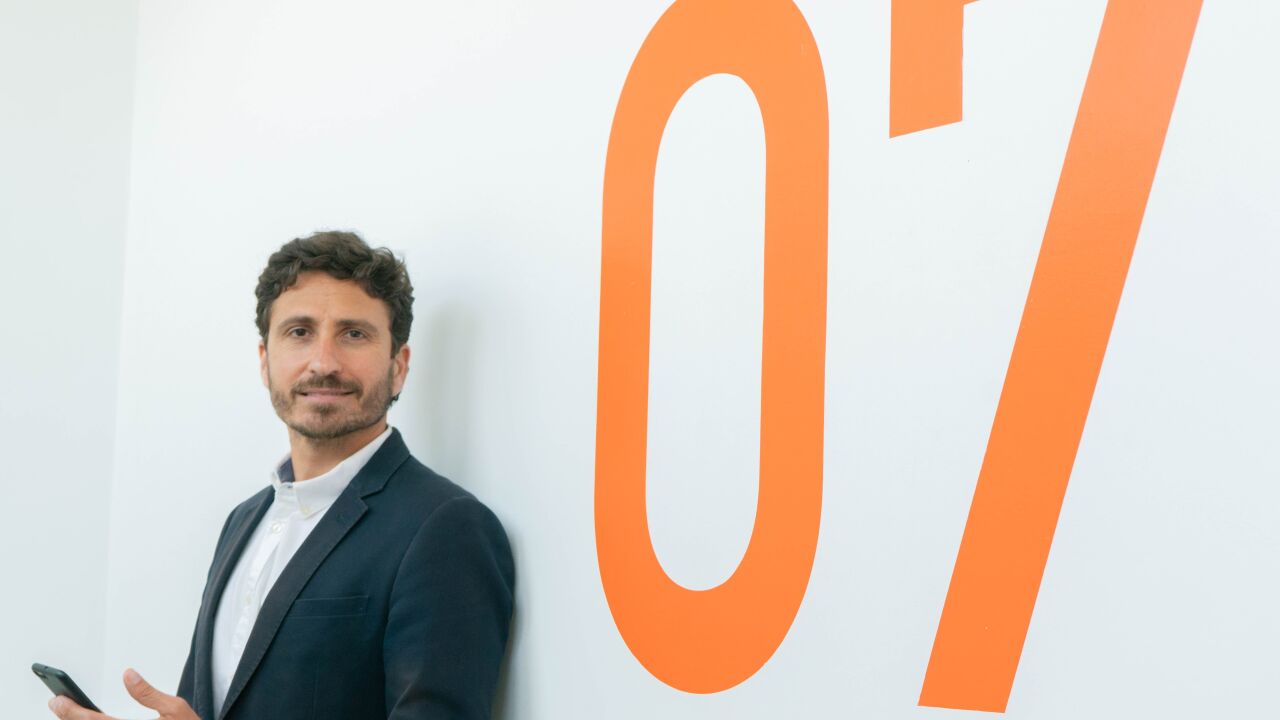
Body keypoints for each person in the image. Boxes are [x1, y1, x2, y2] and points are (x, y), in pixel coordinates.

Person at [49, 231, 515, 720]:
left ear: (399, 367)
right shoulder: (244, 520)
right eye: (299, 332)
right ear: (264, 361)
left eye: (354, 334)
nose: (323, 362)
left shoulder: (446, 527)